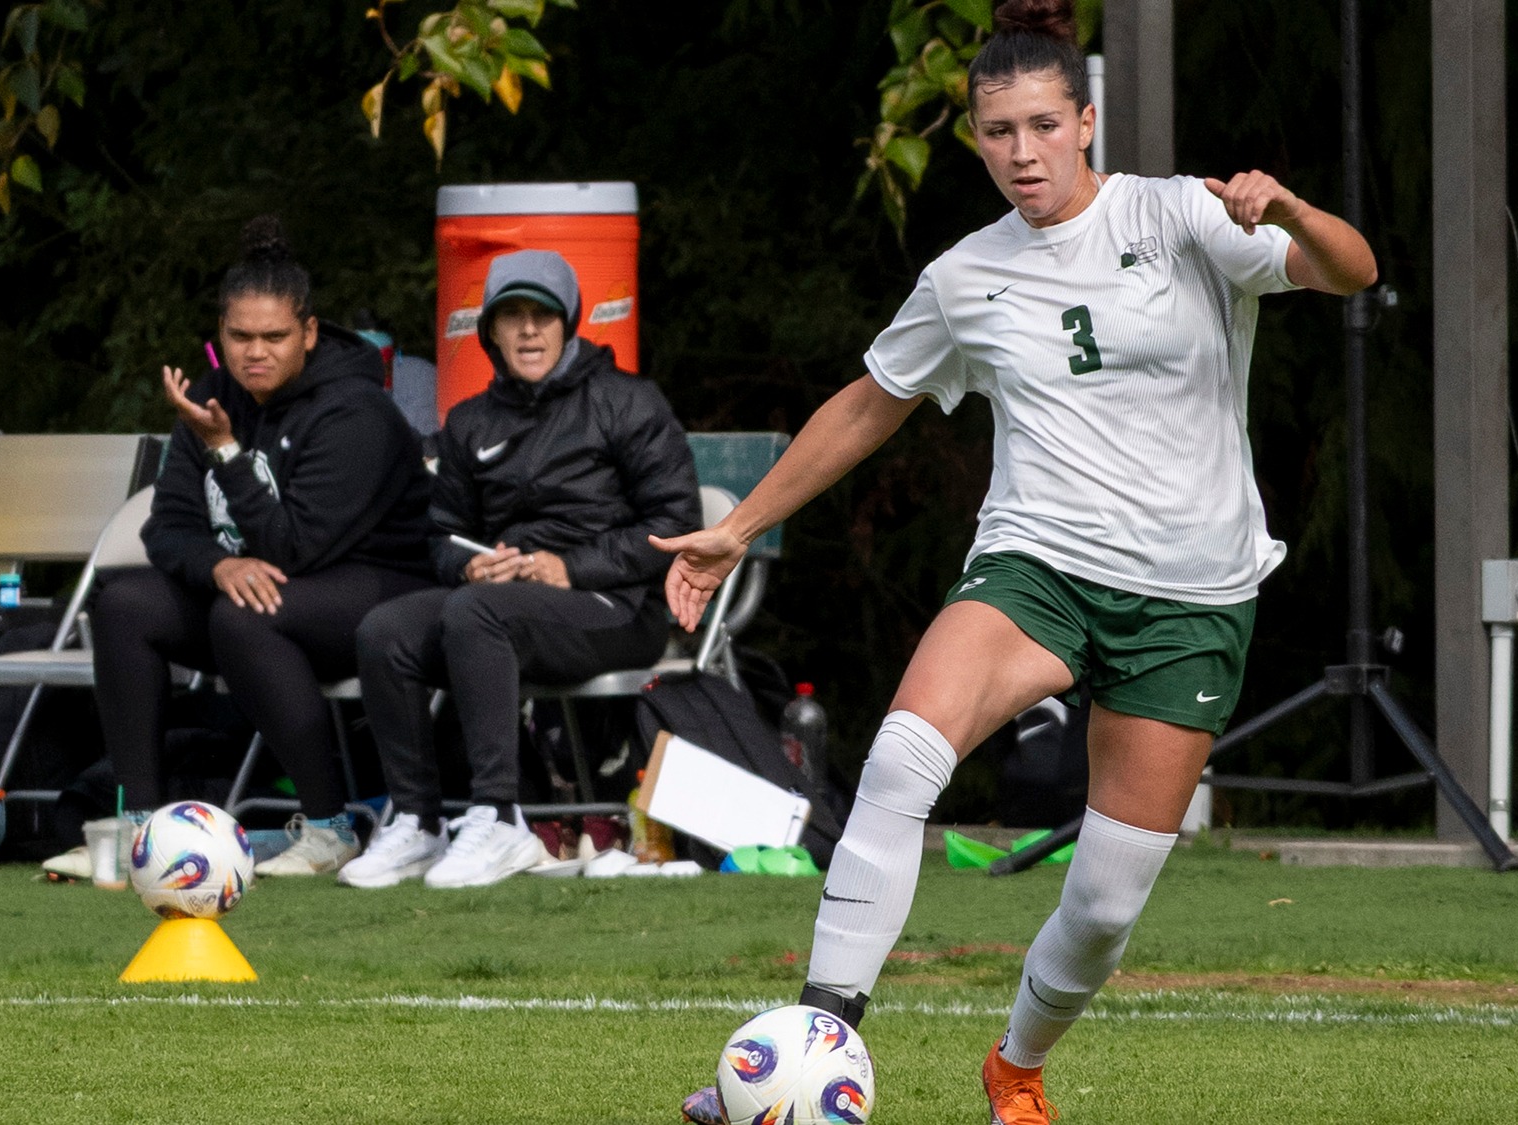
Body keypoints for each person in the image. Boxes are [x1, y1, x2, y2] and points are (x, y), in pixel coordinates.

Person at [659, 1, 1377, 1120]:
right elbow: (869, 404)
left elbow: (1349, 269)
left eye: (1042, 124)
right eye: (997, 132)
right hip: (1035, 567)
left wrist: (1285, 207)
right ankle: (814, 1041)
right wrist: (737, 526)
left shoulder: (1181, 216)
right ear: (977, 141)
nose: (1021, 152)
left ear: (1085, 120)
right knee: (900, 761)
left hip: (1189, 596)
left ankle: (1017, 1065)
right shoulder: (964, 276)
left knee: (1099, 902)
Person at [81, 215, 434, 878]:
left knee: (243, 612)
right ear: (221, 335)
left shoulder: (355, 410)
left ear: (308, 332)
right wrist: (217, 562)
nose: (255, 352)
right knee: (125, 602)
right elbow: (168, 527)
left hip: (379, 584)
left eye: (274, 336)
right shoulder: (212, 398)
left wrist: (227, 452)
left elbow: (295, 549)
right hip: (263, 584)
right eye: (240, 336)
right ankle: (146, 832)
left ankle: (331, 827)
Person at [341, 249, 699, 890]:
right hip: (504, 605)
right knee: (384, 630)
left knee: (476, 615)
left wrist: (572, 567)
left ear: (569, 324)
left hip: (616, 606)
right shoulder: (470, 421)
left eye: (543, 315)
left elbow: (673, 523)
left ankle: (499, 817)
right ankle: (418, 824)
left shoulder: (627, 401)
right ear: (490, 332)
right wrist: (471, 565)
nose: (529, 330)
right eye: (513, 317)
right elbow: (442, 536)